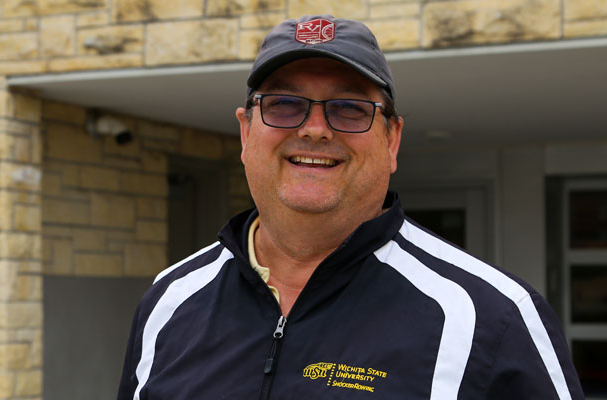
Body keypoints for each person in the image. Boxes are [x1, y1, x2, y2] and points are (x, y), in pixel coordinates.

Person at [117, 15, 584, 400]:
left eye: (349, 108)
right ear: (245, 132)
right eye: (283, 104)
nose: (316, 129)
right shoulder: (169, 299)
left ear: (392, 139)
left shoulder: (491, 318)